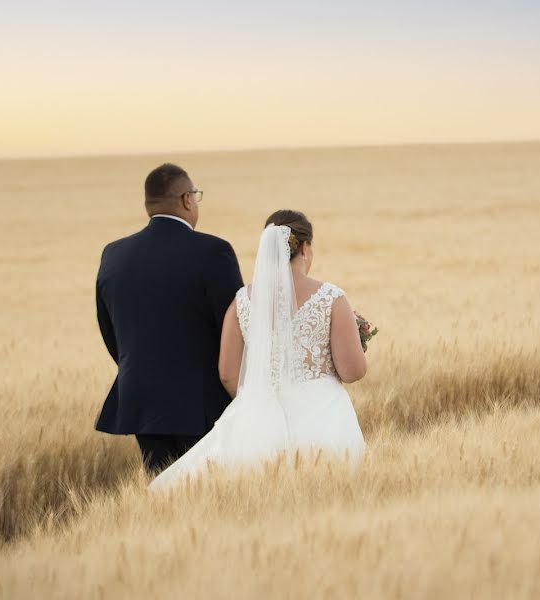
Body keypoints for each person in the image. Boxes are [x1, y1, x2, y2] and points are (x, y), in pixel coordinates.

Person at [148, 210, 367, 491]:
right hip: (324, 414)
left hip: (257, 413)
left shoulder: (241, 301)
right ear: (305, 248)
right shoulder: (332, 298)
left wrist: (256, 401)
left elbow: (228, 373)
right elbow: (353, 371)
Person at [95, 163, 243, 474]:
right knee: (211, 491)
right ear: (187, 199)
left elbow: (111, 333)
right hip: (203, 403)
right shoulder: (213, 252)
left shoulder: (114, 253)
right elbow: (238, 329)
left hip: (140, 398)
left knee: (161, 492)